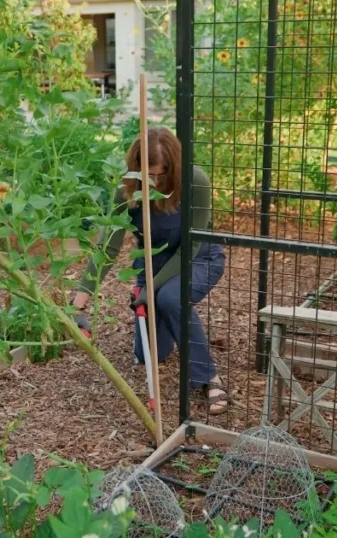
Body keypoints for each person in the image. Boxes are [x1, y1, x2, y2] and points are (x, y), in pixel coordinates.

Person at [70, 127, 228, 415]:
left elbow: (188, 250)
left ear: (174, 168)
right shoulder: (126, 191)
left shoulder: (195, 182)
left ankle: (208, 377)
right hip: (153, 261)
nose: (155, 181)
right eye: (148, 175)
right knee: (148, 356)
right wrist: (80, 297)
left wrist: (151, 289)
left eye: (162, 174)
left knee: (169, 298)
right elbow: (108, 247)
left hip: (198, 257)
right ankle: (173, 318)